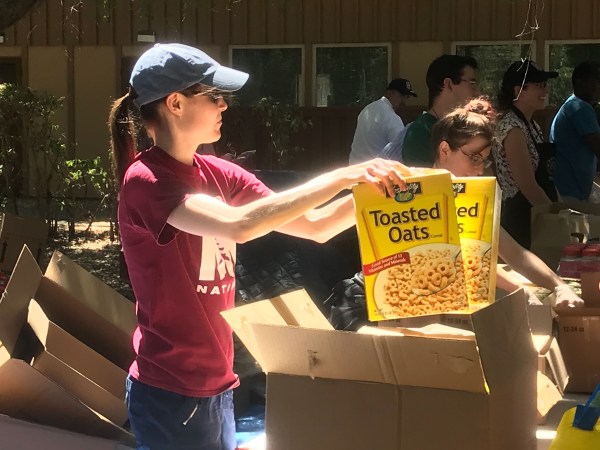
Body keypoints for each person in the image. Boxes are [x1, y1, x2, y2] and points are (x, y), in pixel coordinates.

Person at [109, 43, 410, 450]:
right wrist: (344, 176)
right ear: (176, 103)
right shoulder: (146, 181)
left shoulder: (221, 174)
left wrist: (378, 195)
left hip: (218, 385)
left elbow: (317, 226)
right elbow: (241, 225)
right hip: (169, 392)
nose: (223, 106)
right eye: (214, 95)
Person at [431, 97, 583, 307]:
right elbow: (465, 263)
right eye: (474, 157)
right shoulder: (417, 193)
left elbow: (515, 253)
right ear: (445, 150)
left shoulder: (473, 199)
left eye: (484, 160)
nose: (479, 169)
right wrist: (522, 291)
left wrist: (560, 286)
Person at [492, 59, 559, 249]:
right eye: (539, 85)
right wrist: (556, 217)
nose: (545, 91)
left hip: (537, 214)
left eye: (545, 85)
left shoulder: (532, 125)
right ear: (517, 90)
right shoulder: (511, 128)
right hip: (520, 219)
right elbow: (528, 186)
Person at [402, 54, 479, 167]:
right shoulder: (421, 134)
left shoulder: (459, 128)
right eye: (472, 84)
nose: (477, 92)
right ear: (448, 84)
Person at [551, 61, 600, 201]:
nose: (599, 84)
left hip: (568, 187)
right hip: (571, 191)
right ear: (579, 82)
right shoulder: (580, 108)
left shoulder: (571, 104)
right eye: (595, 79)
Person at [348, 78, 417, 164]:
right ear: (389, 93)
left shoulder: (367, 110)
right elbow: (402, 150)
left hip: (354, 168)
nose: (404, 101)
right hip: (374, 173)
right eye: (401, 96)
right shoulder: (391, 117)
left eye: (406, 97)